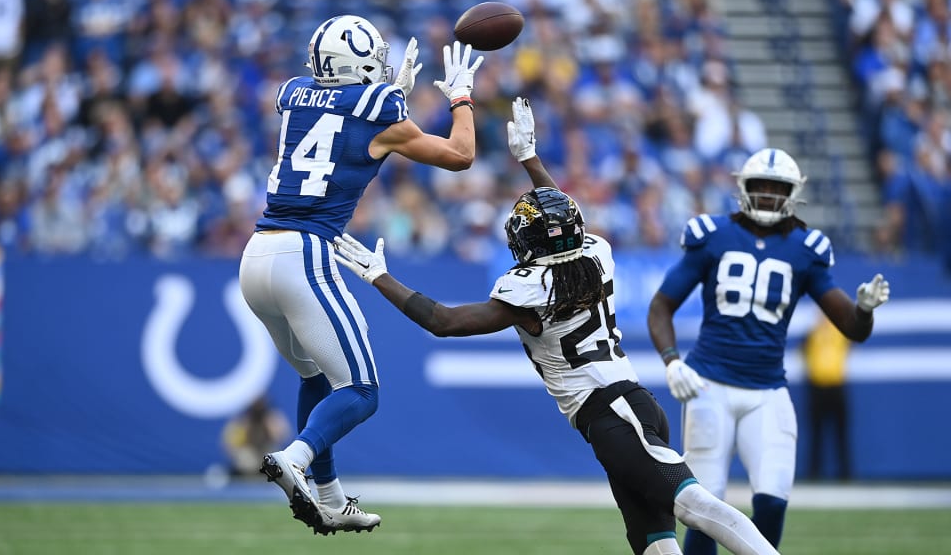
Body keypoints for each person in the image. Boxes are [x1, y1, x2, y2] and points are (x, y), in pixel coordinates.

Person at [333, 98, 781, 555]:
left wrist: (379, 277)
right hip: (627, 404)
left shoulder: (529, 289)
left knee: (694, 505)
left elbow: (443, 322)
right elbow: (563, 218)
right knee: (655, 543)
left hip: (613, 414)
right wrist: (530, 159)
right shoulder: (597, 254)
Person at [238, 14, 484, 535]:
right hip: (304, 254)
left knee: (317, 376)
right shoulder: (383, 111)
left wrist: (387, 92)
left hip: (256, 255)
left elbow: (339, 112)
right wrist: (461, 97)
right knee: (362, 390)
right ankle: (296, 459)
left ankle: (328, 498)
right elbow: (461, 156)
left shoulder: (296, 94)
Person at [646, 147, 891, 554]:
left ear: (792, 193)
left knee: (773, 502)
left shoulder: (805, 248)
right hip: (710, 384)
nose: (766, 195)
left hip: (767, 389)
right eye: (759, 185)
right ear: (743, 187)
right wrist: (672, 361)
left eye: (776, 188)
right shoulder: (714, 236)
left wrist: (864, 309)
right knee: (705, 510)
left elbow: (851, 327)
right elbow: (661, 306)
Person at [801, 314, 852, 481]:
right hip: (817, 387)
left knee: (840, 433)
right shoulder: (811, 334)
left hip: (836, 386)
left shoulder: (840, 333)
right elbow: (803, 352)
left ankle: (845, 473)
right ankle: (814, 473)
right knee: (817, 433)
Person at [221, 396, 292, 478]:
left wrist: (269, 428)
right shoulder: (242, 421)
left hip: (266, 452)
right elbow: (229, 445)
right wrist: (247, 430)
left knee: (272, 455)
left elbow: (283, 437)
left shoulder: (272, 419)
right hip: (249, 457)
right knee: (245, 456)